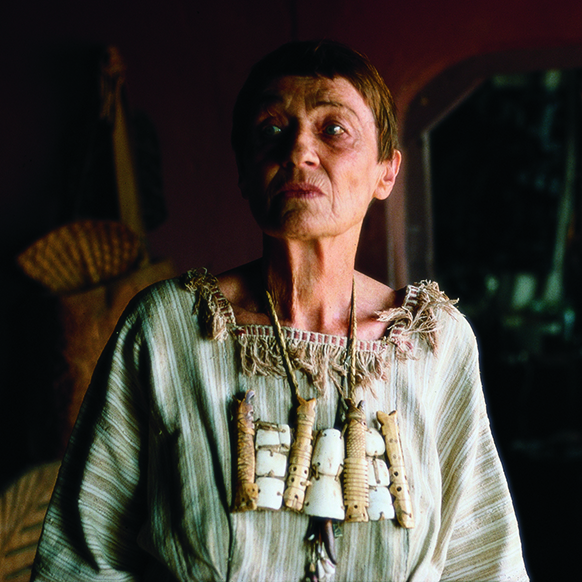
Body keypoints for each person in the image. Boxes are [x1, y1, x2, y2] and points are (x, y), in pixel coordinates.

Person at [32, 40, 528, 581]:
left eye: (333, 129)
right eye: (271, 130)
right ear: (244, 171)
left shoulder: (432, 343)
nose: (298, 152)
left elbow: (483, 563)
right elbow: (80, 562)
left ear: (386, 172)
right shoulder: (170, 330)